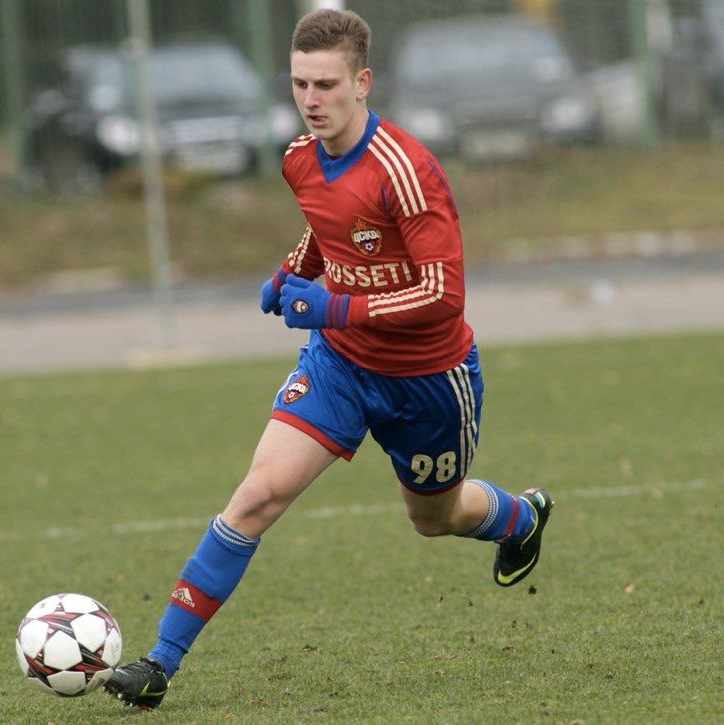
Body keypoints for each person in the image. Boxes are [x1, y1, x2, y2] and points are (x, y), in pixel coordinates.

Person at [104, 9, 553, 710]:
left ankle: (520, 519)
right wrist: (291, 272)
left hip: (428, 380)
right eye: (299, 84)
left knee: (434, 517)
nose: (310, 100)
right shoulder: (299, 159)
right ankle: (159, 662)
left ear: (362, 83)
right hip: (339, 365)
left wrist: (336, 305)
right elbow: (327, 228)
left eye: (326, 84)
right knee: (258, 496)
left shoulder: (407, 171)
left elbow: (444, 295)